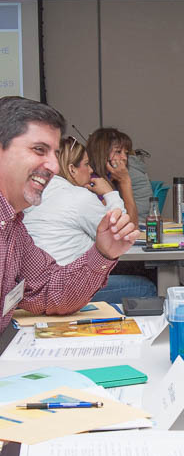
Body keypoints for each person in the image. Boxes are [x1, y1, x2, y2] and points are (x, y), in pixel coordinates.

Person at [0, 96, 139, 335]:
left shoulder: (14, 227)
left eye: (54, 154)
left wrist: (102, 253)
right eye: (38, 150)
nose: (54, 166)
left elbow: (49, 291)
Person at [23, 137, 156, 303]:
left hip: (31, 289)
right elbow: (121, 233)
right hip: (62, 289)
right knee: (146, 287)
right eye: (86, 164)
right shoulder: (78, 196)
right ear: (72, 169)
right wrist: (110, 193)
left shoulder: (34, 194)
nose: (91, 169)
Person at [86, 127, 140, 225]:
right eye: (118, 152)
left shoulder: (112, 180)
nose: (124, 158)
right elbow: (129, 226)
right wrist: (125, 182)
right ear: (102, 153)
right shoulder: (94, 183)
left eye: (126, 153)